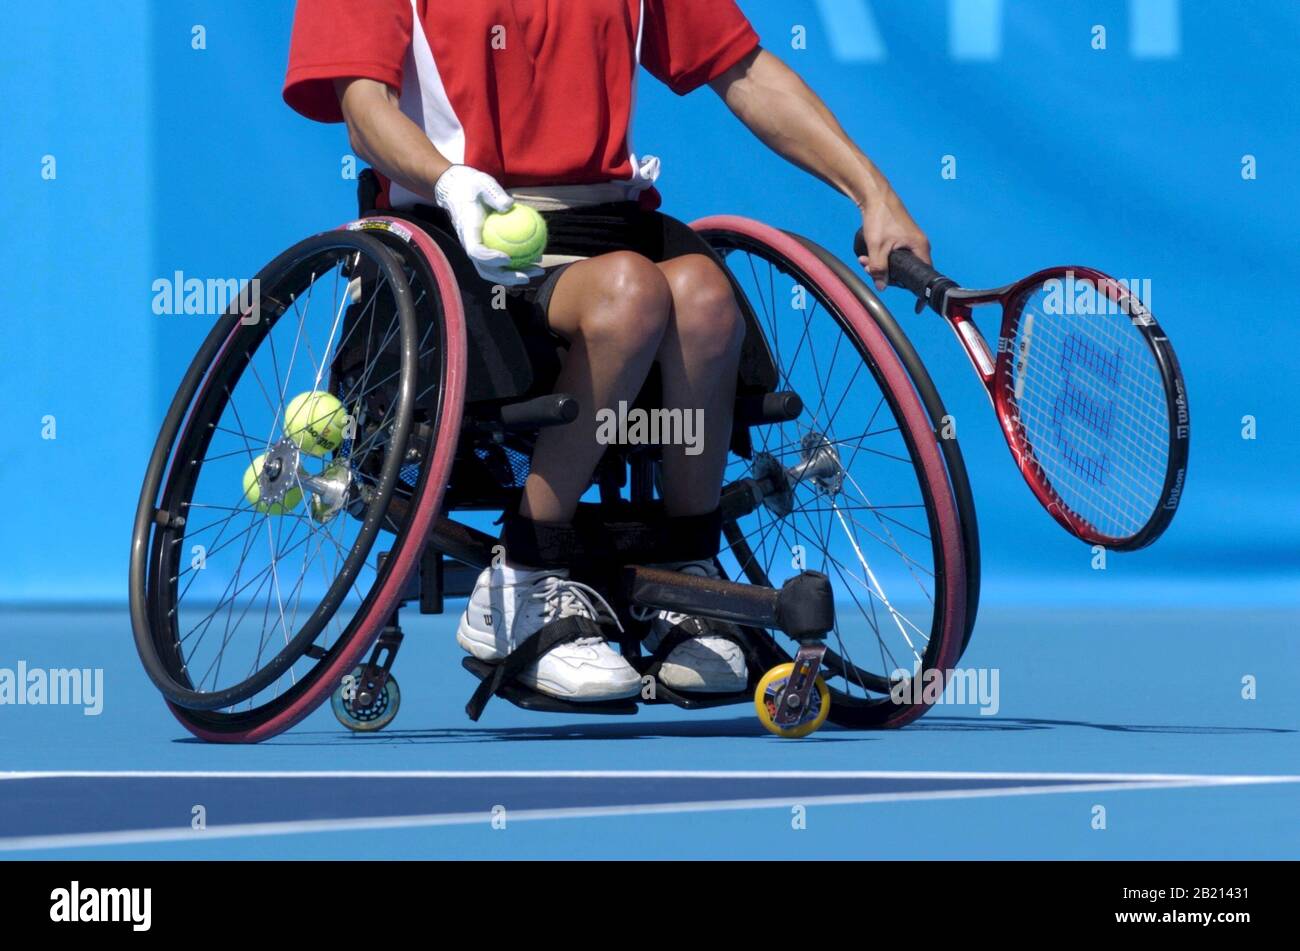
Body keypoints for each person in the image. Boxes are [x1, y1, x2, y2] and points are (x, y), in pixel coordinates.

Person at [284, 0, 930, 703]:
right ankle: (523, 575)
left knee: (708, 298)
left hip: (607, 225)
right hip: (454, 235)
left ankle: (685, 576)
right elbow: (362, 107)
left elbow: (746, 72)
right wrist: (449, 180)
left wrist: (874, 194)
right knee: (631, 295)